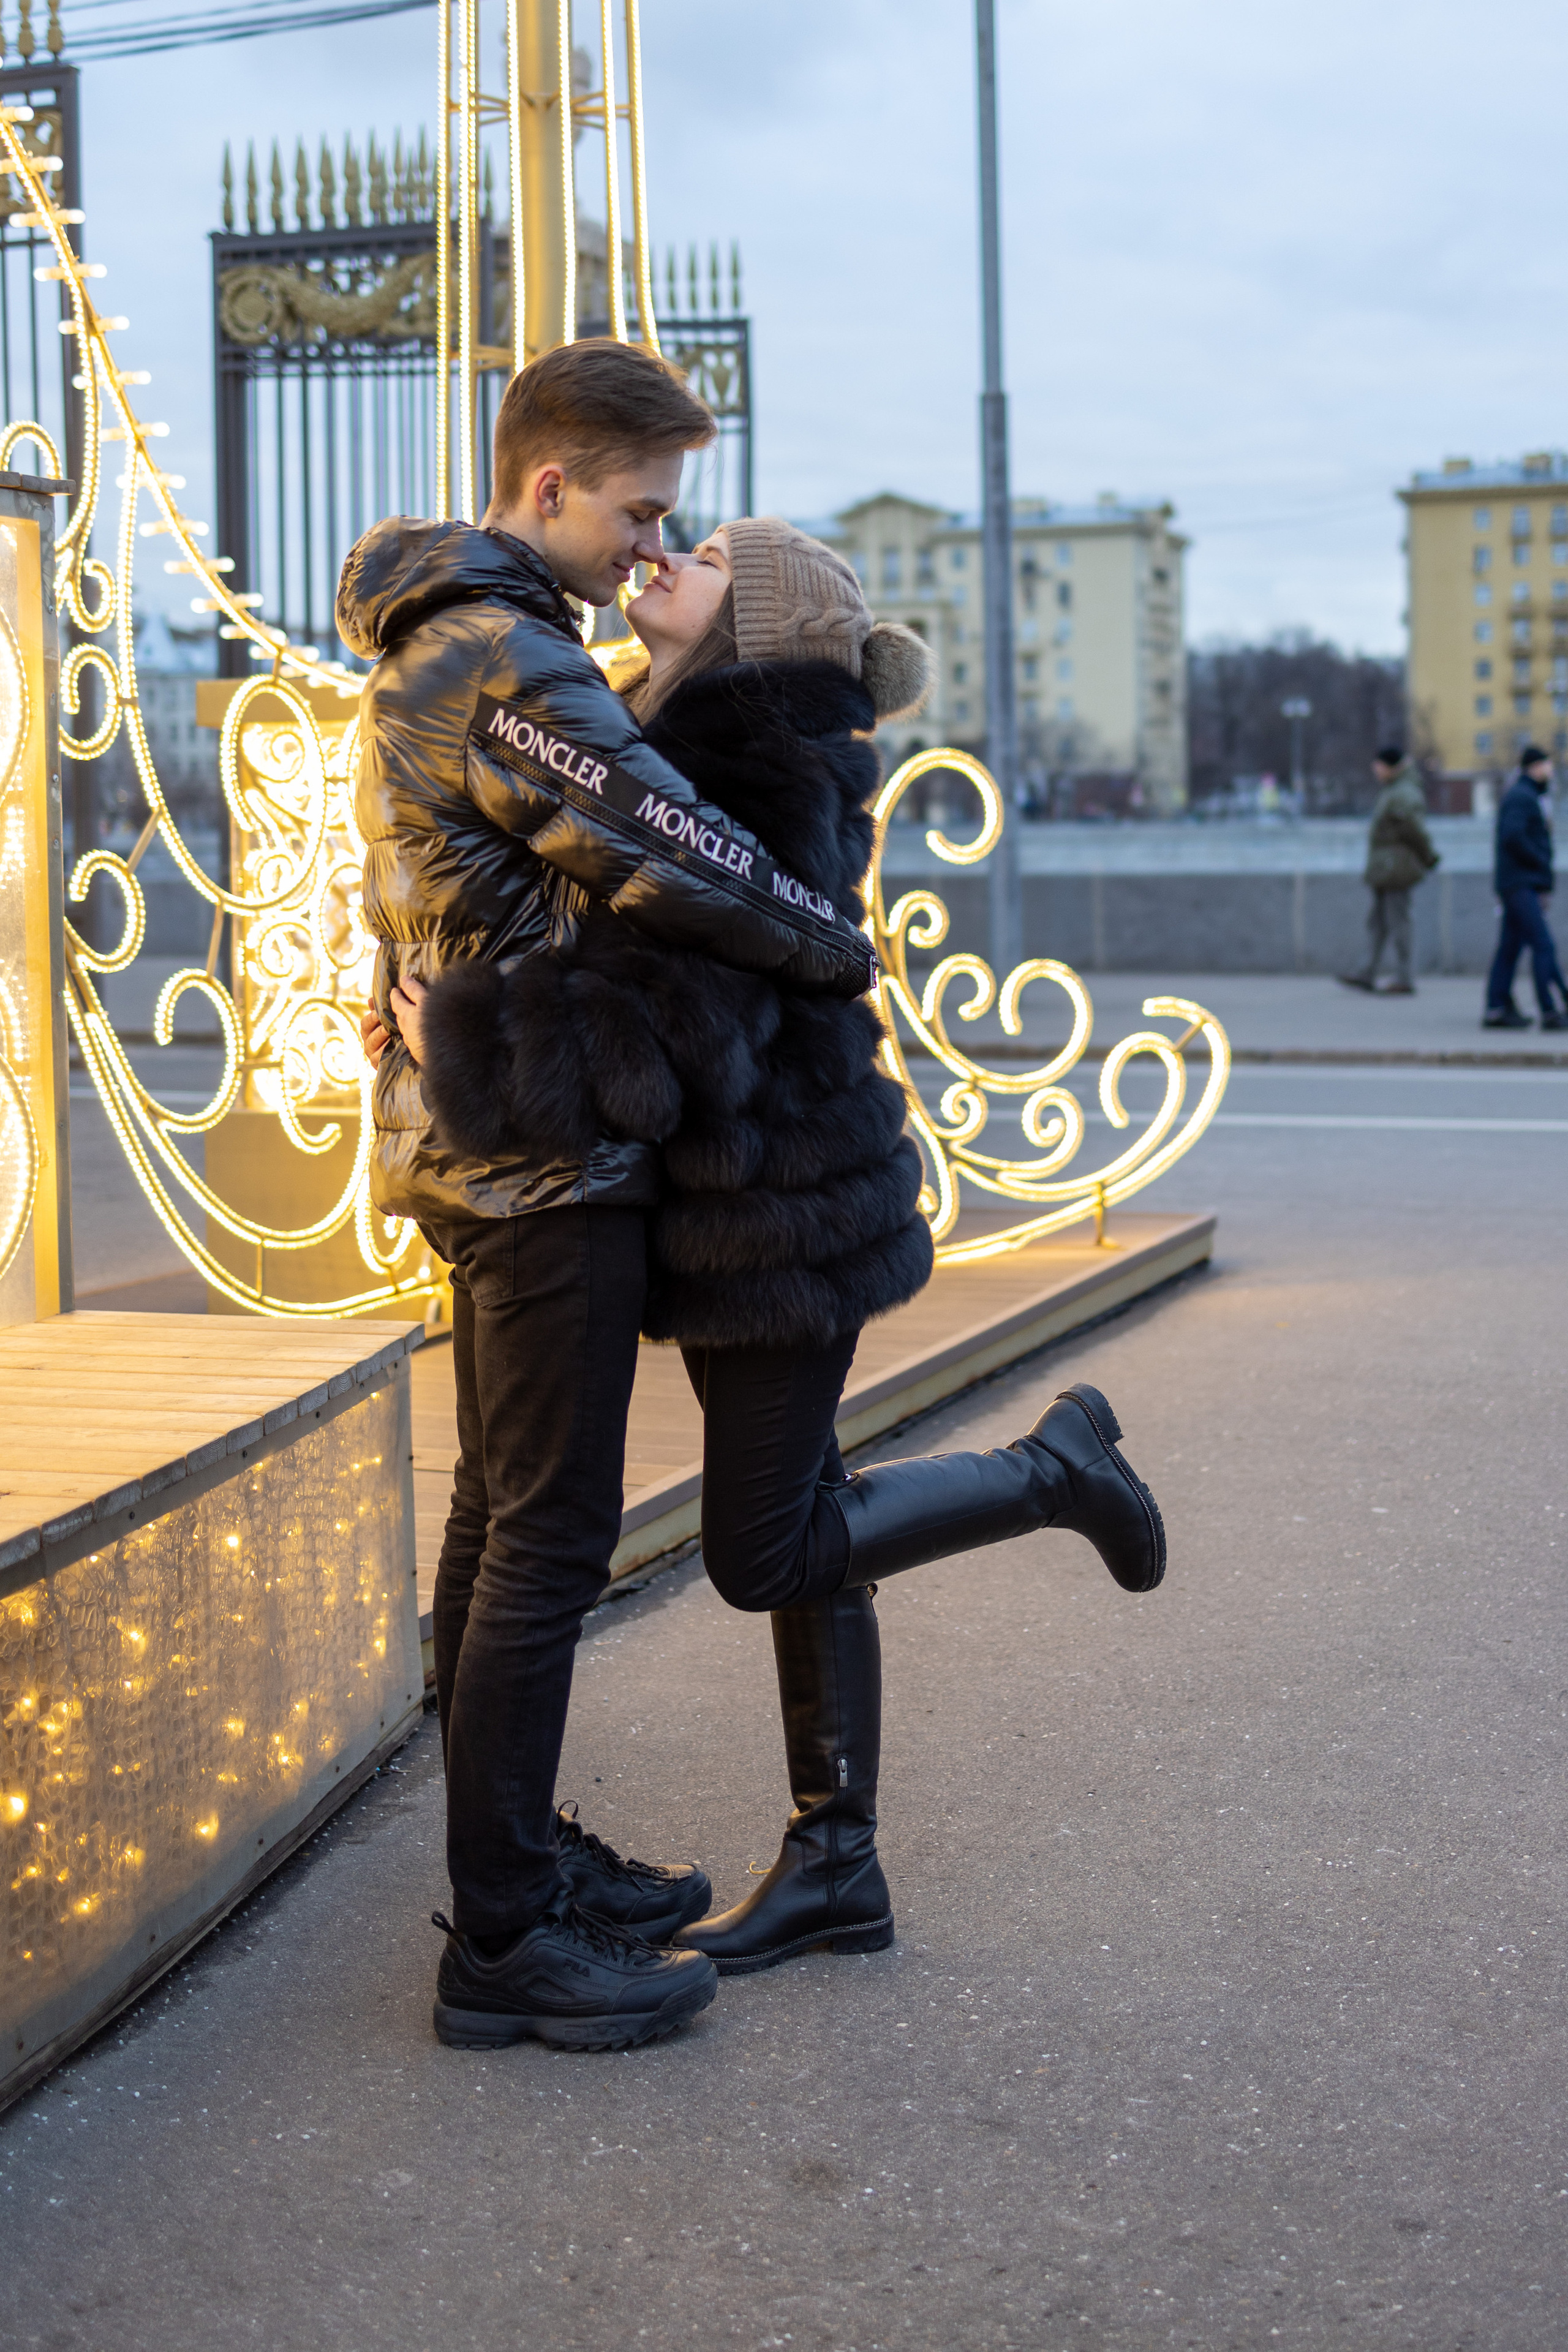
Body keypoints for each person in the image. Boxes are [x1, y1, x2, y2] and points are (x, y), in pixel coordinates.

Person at [396, 517, 1169, 1995]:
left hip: (788, 1206)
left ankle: (1054, 1470)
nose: (657, 557)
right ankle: (835, 1864)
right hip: (742, 1203)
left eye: (695, 556)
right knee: (800, 1506)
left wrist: (468, 1032)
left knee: (771, 1547)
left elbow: (679, 1011)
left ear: (754, 620)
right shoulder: (663, 725)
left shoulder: (761, 754)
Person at [341, 340, 876, 2056]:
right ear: (550, 485)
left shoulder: (479, 646)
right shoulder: (504, 657)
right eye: (642, 511)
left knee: (506, 1521)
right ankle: (502, 1937)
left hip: (498, 1129)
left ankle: (517, 1865)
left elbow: (486, 878)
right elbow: (665, 844)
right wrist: (833, 943)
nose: (656, 547)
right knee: (545, 1542)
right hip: (538, 1157)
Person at [1338, 745, 1439, 996]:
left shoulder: (1403, 793)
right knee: (1379, 922)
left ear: (1390, 767)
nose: (1376, 771)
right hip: (1387, 867)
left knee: (1398, 922)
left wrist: (1428, 857)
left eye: (1379, 766)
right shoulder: (1397, 790)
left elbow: (1413, 830)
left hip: (1396, 868)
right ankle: (1366, 972)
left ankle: (1403, 977)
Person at [1483, 745, 1568, 1031]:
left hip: (1517, 883)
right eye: (1546, 765)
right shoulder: (1523, 797)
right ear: (1534, 767)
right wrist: (1541, 862)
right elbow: (1513, 837)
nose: (1550, 770)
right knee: (1543, 945)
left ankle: (1497, 1008)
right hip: (1521, 884)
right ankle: (1549, 1011)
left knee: (1510, 947)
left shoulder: (1524, 795)